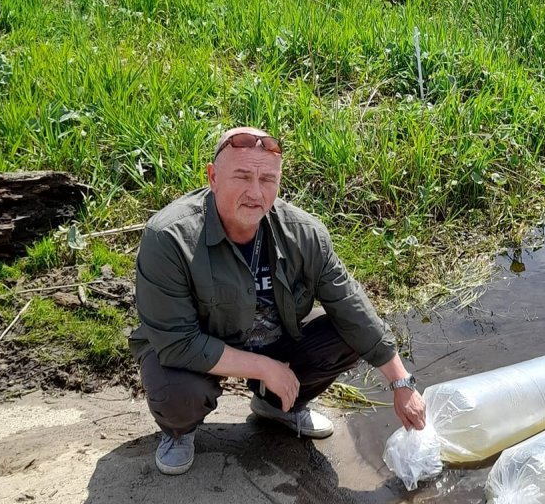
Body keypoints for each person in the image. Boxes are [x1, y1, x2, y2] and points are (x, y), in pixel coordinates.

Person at [130, 127, 427, 475]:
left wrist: (401, 384)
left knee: (350, 332)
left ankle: (278, 407)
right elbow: (178, 344)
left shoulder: (304, 233)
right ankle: (179, 432)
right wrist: (266, 369)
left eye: (267, 179)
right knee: (178, 392)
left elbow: (350, 303)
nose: (255, 192)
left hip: (271, 338)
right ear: (212, 177)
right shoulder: (167, 237)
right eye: (242, 176)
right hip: (194, 349)